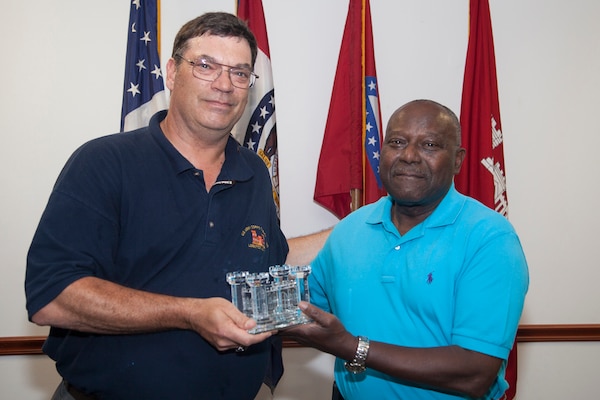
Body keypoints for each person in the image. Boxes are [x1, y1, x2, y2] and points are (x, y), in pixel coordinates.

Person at [25, 12, 326, 400]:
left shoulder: (253, 171)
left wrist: (352, 230)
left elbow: (270, 260)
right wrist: (189, 313)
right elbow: (52, 297)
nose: (223, 84)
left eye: (239, 73)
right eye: (206, 65)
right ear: (171, 72)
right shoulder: (103, 163)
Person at [282, 99, 529, 400]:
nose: (409, 156)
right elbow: (301, 309)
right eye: (397, 142)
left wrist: (353, 347)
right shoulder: (351, 229)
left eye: (429, 145)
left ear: (458, 160)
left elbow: (474, 374)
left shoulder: (489, 239)